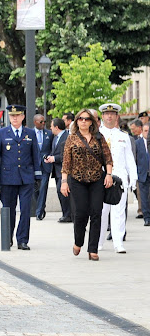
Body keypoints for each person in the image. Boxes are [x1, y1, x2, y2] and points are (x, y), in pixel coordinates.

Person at [60, 108, 113, 261]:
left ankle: (93, 249)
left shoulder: (98, 137)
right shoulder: (71, 138)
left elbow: (108, 158)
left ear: (92, 122)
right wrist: (64, 182)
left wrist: (108, 174)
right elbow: (66, 163)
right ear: (77, 121)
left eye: (87, 119)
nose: (84, 121)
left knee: (97, 212)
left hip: (97, 180)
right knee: (81, 213)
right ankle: (78, 241)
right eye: (81, 119)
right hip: (77, 180)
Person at [0, 105, 42, 250]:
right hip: (8, 177)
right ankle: (8, 237)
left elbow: (35, 155)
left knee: (25, 210)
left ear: (23, 116)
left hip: (26, 177)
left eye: (17, 115)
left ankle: (23, 240)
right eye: (12, 115)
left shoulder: (30, 133)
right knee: (9, 209)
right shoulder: (1, 133)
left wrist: (37, 175)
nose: (14, 118)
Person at [98, 103, 137, 253]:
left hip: (119, 178)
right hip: (101, 178)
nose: (109, 116)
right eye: (107, 114)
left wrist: (133, 179)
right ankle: (99, 241)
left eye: (112, 114)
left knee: (119, 212)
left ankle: (118, 242)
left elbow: (129, 160)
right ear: (102, 116)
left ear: (116, 116)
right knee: (100, 212)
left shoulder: (123, 136)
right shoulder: (97, 135)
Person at [32, 114, 54, 220]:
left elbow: (52, 148)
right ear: (35, 122)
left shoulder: (49, 134)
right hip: (33, 165)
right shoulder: (30, 133)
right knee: (35, 189)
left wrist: (49, 156)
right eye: (41, 122)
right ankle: (41, 207)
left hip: (45, 165)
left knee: (43, 187)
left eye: (44, 121)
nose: (43, 123)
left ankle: (39, 212)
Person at [137, 124, 150, 227]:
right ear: (142, 131)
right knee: (144, 197)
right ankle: (147, 218)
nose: (147, 133)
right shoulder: (138, 143)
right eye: (145, 131)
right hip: (142, 174)